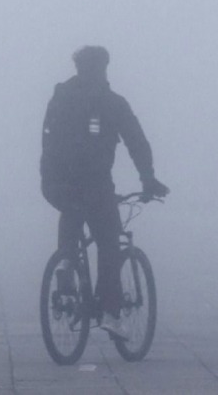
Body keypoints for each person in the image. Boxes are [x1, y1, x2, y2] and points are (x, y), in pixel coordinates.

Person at [40, 45, 169, 340]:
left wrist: (50, 182)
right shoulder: (113, 103)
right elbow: (137, 142)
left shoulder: (59, 99)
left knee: (70, 225)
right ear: (104, 67)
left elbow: (46, 142)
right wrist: (148, 180)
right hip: (96, 184)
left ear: (77, 67)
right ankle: (110, 312)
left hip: (57, 183)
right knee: (109, 243)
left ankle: (65, 282)